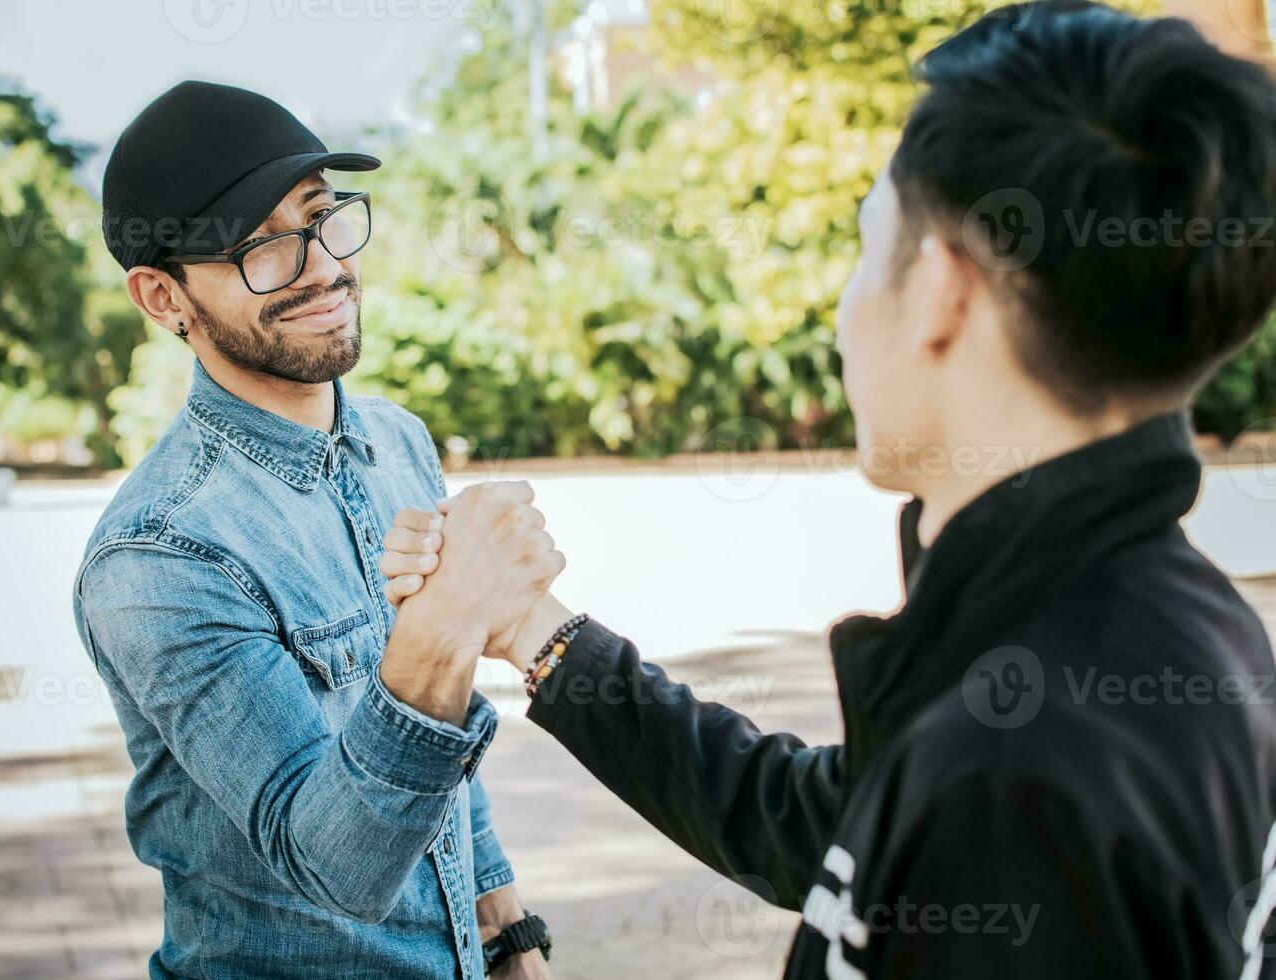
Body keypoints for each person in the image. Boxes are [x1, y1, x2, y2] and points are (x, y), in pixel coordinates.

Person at [381, 2, 1276, 976]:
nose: (842, 316)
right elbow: (836, 826)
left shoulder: (1019, 774)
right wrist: (533, 626)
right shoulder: (1172, 629)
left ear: (941, 290)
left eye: (863, 247)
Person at [72, 81, 561, 978]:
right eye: (260, 247)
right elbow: (337, 862)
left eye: (323, 218)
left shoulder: (397, 441)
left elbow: (446, 755)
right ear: (160, 296)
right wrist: (441, 628)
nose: (320, 266)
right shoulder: (159, 555)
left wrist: (509, 935)